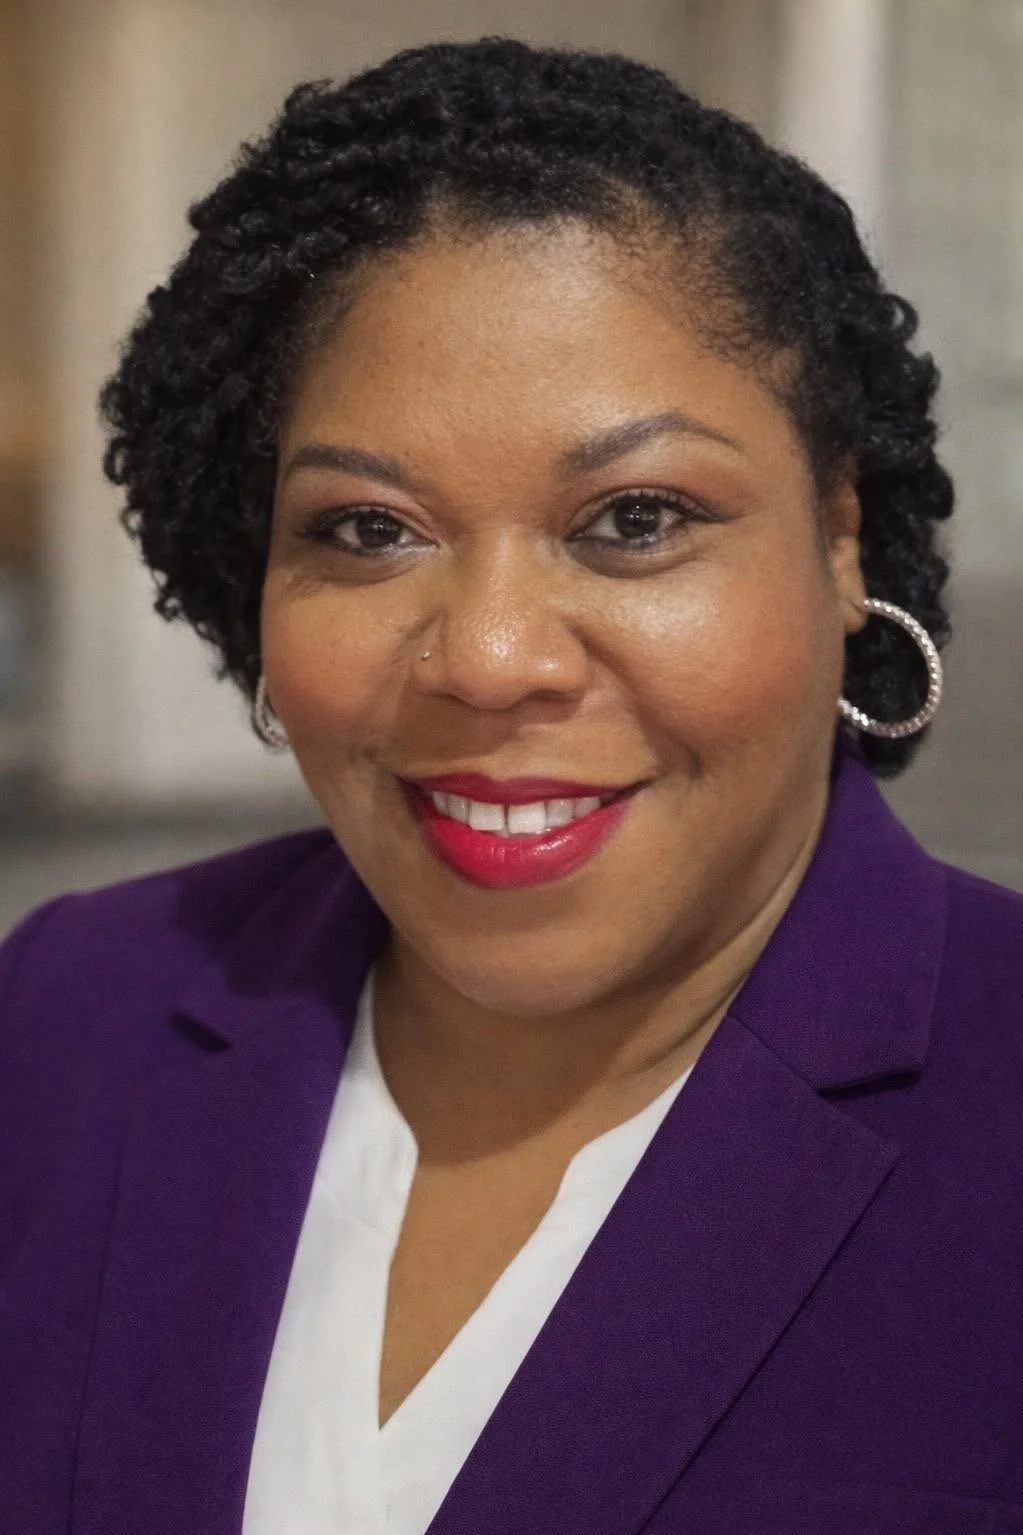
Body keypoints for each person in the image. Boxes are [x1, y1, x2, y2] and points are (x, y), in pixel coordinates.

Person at [2, 36, 1022, 1535]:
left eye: (635, 516)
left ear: (838, 537)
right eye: (366, 531)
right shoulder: (70, 1014)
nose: (485, 659)